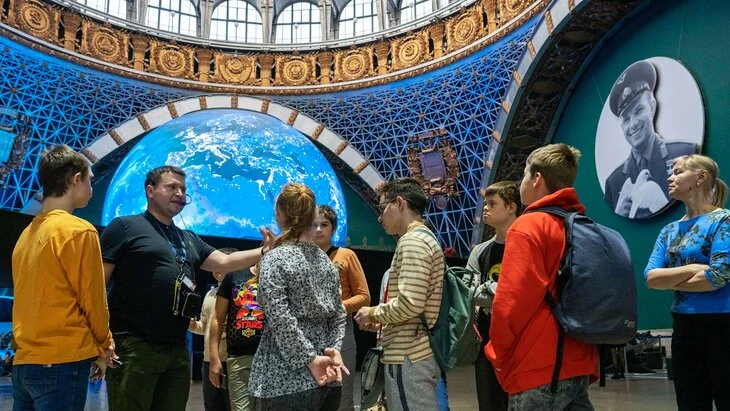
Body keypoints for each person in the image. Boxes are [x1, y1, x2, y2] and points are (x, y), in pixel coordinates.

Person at [100, 165, 273, 411]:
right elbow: (98, 285)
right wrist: (101, 337)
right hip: (134, 345)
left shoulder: (187, 238)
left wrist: (263, 251)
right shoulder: (124, 227)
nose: (180, 193)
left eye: (183, 189)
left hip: (177, 349)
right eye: (172, 187)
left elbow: (223, 262)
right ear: (150, 190)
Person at [486, 144, 598, 410]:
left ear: (537, 178)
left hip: (537, 364)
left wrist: (496, 350)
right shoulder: (580, 224)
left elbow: (511, 301)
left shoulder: (528, 225)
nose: (521, 181)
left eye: (524, 174)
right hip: (578, 358)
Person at [11, 145, 116, 410]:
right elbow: (92, 299)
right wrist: (105, 345)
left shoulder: (25, 236)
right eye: (89, 180)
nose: (91, 188)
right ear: (75, 178)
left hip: (24, 364)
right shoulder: (79, 231)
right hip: (62, 360)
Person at [249, 183, 348, 410]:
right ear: (311, 216)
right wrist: (333, 350)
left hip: (282, 381)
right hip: (328, 377)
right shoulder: (327, 262)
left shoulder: (275, 258)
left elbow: (280, 318)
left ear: (279, 215)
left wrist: (309, 359)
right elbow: (339, 314)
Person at [644, 154, 730, 411]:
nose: (670, 177)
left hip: (723, 326)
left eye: (678, 172)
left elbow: (717, 277)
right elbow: (650, 277)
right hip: (684, 328)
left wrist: (670, 281)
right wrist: (693, 268)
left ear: (701, 177)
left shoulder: (723, 221)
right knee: (690, 404)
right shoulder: (669, 230)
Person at [354, 177, 445, 411]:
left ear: (400, 203)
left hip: (409, 355)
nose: (380, 217)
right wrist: (382, 321)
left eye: (383, 208)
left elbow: (410, 304)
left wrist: (372, 313)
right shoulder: (423, 238)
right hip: (414, 352)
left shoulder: (413, 242)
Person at [604, 60, 696, 218]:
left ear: (652, 107)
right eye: (626, 119)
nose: (633, 124)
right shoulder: (613, 184)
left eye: (639, 110)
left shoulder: (686, 153)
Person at [465, 181, 521, 411]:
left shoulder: (527, 245)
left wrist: (489, 289)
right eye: (485, 203)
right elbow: (469, 292)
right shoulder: (480, 251)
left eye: (492, 203)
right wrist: (502, 290)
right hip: (487, 341)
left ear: (511, 207)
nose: (485, 208)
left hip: (521, 342)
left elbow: (525, 294)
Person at [313, 205, 371, 411]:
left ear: (333, 228)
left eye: (324, 225)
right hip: (308, 335)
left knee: (342, 396)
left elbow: (364, 297)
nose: (318, 229)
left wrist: (335, 308)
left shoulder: (346, 255)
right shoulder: (300, 257)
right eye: (313, 225)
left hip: (340, 331)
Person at [208, 261, 265, 411]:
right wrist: (214, 358)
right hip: (239, 357)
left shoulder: (280, 276)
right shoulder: (235, 275)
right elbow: (217, 318)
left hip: (273, 357)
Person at [189, 247, 239, 411]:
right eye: (215, 265)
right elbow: (205, 327)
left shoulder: (241, 294)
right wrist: (193, 326)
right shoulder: (209, 295)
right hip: (209, 360)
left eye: (221, 264)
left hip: (233, 360)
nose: (217, 269)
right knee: (212, 406)